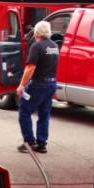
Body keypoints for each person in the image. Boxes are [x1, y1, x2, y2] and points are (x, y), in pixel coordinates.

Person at [16, 20, 59, 154]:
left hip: (38, 84)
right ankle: (42, 144)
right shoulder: (54, 46)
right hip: (51, 83)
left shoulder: (37, 46)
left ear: (37, 32)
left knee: (24, 111)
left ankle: (29, 142)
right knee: (44, 115)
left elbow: (30, 67)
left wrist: (21, 85)